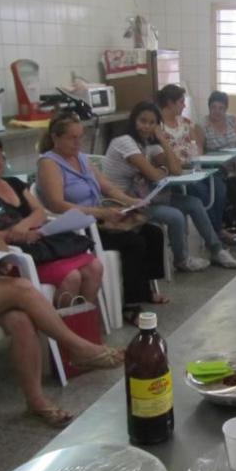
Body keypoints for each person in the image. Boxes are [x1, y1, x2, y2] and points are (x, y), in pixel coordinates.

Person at [0, 192, 123, 428]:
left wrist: (1, 255)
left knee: (21, 321)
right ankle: (77, 348)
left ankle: (36, 401)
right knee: (22, 289)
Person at [35, 112, 172, 325]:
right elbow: (57, 204)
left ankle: (144, 289)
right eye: (72, 138)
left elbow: (107, 187)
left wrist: (131, 201)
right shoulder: (49, 163)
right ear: (55, 137)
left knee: (153, 233)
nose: (78, 143)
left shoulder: (81, 158)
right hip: (77, 227)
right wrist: (101, 213)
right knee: (133, 242)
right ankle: (131, 304)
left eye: (80, 137)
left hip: (98, 219)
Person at [0, 133, 104, 307]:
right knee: (71, 277)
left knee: (95, 267)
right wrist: (16, 235)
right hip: (17, 253)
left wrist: (25, 225)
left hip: (42, 244)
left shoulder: (14, 183)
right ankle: (63, 322)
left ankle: (83, 317)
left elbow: (39, 212)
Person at [101, 101, 236, 271]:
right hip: (124, 203)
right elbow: (153, 175)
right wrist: (161, 170)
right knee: (175, 216)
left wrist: (163, 140)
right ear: (133, 120)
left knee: (194, 203)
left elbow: (176, 170)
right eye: (143, 121)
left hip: (146, 197)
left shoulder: (148, 145)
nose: (147, 126)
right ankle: (181, 260)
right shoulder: (125, 142)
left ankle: (217, 250)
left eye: (152, 123)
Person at [156, 84, 236, 248]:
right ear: (170, 103)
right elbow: (159, 155)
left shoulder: (186, 123)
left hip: (194, 167)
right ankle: (217, 232)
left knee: (219, 187)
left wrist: (195, 161)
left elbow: (197, 148)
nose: (184, 106)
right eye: (181, 102)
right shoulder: (158, 126)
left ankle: (217, 229)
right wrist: (182, 163)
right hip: (175, 173)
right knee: (202, 192)